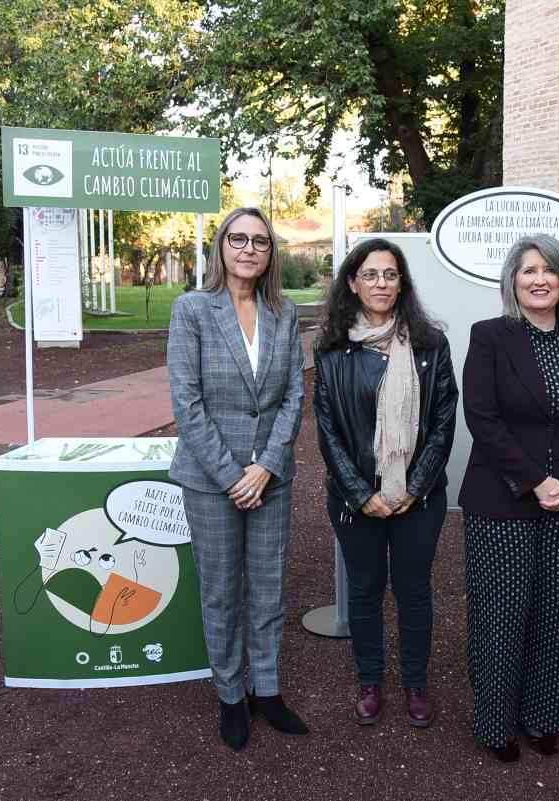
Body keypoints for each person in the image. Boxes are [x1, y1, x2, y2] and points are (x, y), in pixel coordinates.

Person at [459, 235, 559, 762]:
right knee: (500, 616)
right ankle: (496, 723)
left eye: (549, 270)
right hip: (503, 501)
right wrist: (535, 481)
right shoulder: (490, 337)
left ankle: (545, 714)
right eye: (528, 270)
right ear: (512, 280)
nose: (539, 279)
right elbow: (482, 417)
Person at [167, 208, 308, 751]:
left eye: (260, 242)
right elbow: (187, 401)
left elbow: (295, 393)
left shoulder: (284, 312)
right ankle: (230, 693)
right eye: (238, 238)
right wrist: (233, 476)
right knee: (222, 591)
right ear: (221, 246)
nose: (249, 248)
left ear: (271, 254)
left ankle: (266, 689)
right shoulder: (193, 310)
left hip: (271, 475)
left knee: (269, 587)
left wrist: (267, 465)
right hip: (211, 480)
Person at [313, 239, 458, 728]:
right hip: (357, 499)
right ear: (353, 282)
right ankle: (370, 680)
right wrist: (361, 494)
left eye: (390, 275)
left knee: (415, 590)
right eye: (371, 275)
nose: (381, 283)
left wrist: (414, 486)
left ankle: (415, 682)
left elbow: (442, 423)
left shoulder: (430, 344)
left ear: (402, 283)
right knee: (366, 589)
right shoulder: (332, 347)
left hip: (418, 497)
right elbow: (327, 429)